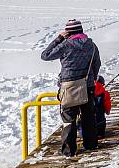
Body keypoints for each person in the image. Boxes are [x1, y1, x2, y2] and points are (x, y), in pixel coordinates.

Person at [40, 19, 100, 156]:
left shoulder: (65, 45)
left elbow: (45, 55)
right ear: (81, 30)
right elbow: (97, 63)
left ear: (68, 33)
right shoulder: (91, 45)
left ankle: (69, 150)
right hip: (87, 85)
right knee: (88, 116)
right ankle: (91, 145)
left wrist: (58, 39)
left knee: (68, 118)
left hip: (69, 86)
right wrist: (93, 78)